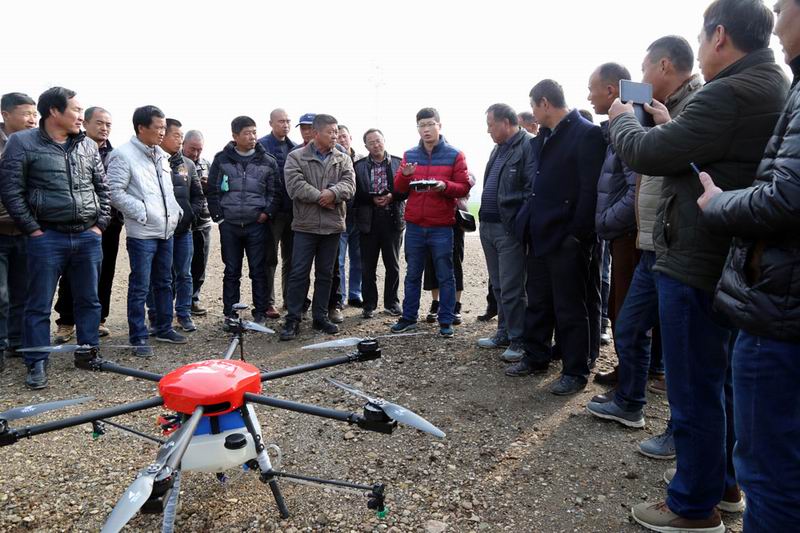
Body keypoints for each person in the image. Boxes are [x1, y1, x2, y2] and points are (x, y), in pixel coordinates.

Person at [608, 1, 788, 530]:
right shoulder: (773, 84)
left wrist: (622, 121)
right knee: (720, 381)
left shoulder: (727, 92)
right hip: (728, 255)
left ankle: (691, 504)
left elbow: (648, 153)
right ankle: (724, 484)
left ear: (719, 35)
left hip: (694, 258)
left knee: (693, 388)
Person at [696, 6, 800, 531]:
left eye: (782, 7)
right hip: (780, 299)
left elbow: (786, 197)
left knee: (771, 474)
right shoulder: (787, 85)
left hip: (780, 306)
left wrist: (717, 202)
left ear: (718, 36)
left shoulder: (735, 90)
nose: (777, 22)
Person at [587, 36, 702, 455]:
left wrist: (625, 121)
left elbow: (656, 159)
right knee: (630, 325)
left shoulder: (700, 104)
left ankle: (682, 434)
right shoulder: (667, 111)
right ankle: (630, 402)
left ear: (664, 65)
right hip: (654, 241)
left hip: (675, 244)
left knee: (684, 349)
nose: (641, 78)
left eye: (645, 68)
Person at [0, 87, 110, 388]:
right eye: (76, 110)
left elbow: (102, 187)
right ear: (54, 112)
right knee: (38, 304)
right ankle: (36, 362)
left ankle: (88, 353)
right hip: (47, 236)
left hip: (87, 236)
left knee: (89, 299)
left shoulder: (87, 145)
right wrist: (33, 230)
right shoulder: (23, 142)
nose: (80, 116)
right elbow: (10, 190)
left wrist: (99, 225)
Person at [507, 79, 606, 395]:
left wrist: (577, 234)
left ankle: (575, 371)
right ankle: (536, 356)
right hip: (539, 233)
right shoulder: (544, 138)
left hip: (567, 238)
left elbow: (590, 191)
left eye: (533, 106)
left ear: (544, 103)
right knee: (538, 301)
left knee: (570, 307)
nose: (533, 114)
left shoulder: (586, 134)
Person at [108, 105, 186, 356]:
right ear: (141, 128)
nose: (163, 132)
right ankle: (138, 336)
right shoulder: (123, 155)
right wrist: (143, 212)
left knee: (164, 282)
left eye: (164, 127)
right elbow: (113, 192)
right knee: (140, 286)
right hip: (142, 233)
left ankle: (163, 327)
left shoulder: (161, 155)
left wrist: (175, 211)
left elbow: (167, 191)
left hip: (165, 230)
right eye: (158, 127)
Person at [391, 107, 471, 338]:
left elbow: (464, 186)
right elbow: (399, 190)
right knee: (413, 274)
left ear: (439, 125)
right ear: (417, 128)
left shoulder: (455, 154)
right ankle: (408, 317)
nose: (426, 129)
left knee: (446, 274)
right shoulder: (409, 155)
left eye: (430, 124)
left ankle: (446, 320)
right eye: (421, 126)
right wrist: (405, 175)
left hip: (442, 225)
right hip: (415, 225)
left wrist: (445, 186)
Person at [584, 62, 637, 386]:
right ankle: (627, 371)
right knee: (619, 307)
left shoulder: (627, 128)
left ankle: (631, 382)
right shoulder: (615, 128)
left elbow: (635, 190)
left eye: (592, 89)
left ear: (610, 90)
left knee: (625, 310)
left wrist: (606, 220)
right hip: (620, 233)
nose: (589, 96)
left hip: (627, 234)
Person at [279, 114, 355, 340]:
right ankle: (293, 318)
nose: (335, 136)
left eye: (336, 131)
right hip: (305, 225)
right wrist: (320, 196)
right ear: (316, 133)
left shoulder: (343, 158)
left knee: (326, 274)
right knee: (298, 273)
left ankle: (320, 317)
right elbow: (294, 186)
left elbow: (350, 185)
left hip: (332, 226)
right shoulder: (296, 157)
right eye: (330, 132)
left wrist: (333, 193)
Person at [53, 106, 118, 342]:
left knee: (105, 272)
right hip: (77, 222)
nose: (104, 128)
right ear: (86, 123)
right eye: (99, 123)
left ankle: (99, 320)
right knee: (71, 273)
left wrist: (106, 219)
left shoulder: (115, 154)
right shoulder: (70, 148)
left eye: (108, 124)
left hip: (109, 222)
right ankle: (66, 321)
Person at [476, 104, 534, 363]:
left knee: (512, 287)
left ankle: (519, 340)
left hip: (508, 229)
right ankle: (504, 332)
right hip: (488, 227)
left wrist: (518, 223)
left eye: (491, 125)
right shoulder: (497, 148)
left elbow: (531, 189)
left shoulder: (528, 145)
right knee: (498, 285)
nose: (488, 130)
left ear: (506, 123)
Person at [207, 116, 278, 326]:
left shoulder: (267, 160)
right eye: (247, 133)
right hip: (230, 225)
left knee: (258, 270)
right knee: (231, 271)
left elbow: (275, 192)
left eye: (254, 132)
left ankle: (260, 313)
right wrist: (219, 217)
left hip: (257, 224)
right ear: (235, 136)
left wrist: (266, 213)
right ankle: (230, 314)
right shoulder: (222, 160)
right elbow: (213, 190)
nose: (252, 137)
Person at [148, 119, 204, 333]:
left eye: (181, 136)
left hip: (183, 231)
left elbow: (198, 195)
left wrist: (190, 215)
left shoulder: (187, 165)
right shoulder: (150, 162)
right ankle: (156, 315)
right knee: (159, 276)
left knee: (184, 274)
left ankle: (184, 314)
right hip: (159, 231)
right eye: (176, 135)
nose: (179, 140)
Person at [0, 92, 37, 372]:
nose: (32, 120)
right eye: (26, 114)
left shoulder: (34, 143)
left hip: (26, 230)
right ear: (6, 114)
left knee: (23, 292)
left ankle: (16, 342)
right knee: (0, 295)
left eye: (35, 114)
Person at [353, 128, 405, 318]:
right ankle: (369, 304)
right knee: (367, 266)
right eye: (371, 142)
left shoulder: (399, 163)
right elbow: (353, 194)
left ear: (384, 140)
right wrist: (371, 199)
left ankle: (392, 302)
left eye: (378, 140)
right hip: (368, 219)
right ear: (365, 146)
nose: (376, 145)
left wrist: (392, 196)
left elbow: (406, 191)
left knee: (393, 264)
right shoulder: (358, 166)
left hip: (392, 218)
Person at [258, 108, 296, 318]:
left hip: (293, 211)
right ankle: (268, 303)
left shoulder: (294, 147)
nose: (285, 125)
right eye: (281, 121)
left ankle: (290, 300)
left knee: (292, 259)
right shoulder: (261, 146)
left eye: (288, 121)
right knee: (269, 259)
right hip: (271, 213)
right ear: (271, 123)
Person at [183, 130, 213, 317]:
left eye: (199, 150)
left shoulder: (206, 164)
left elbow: (216, 190)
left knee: (200, 264)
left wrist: (208, 186)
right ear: (183, 144)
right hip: (182, 223)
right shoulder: (175, 163)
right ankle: (177, 301)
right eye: (192, 149)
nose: (195, 153)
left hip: (203, 221)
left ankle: (193, 299)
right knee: (179, 266)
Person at [336, 124, 364, 307]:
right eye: (338, 136)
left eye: (344, 136)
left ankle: (355, 293)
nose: (341, 139)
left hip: (359, 216)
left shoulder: (362, 159)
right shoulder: (333, 159)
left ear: (350, 138)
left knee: (358, 258)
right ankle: (340, 296)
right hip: (339, 217)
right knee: (338, 260)